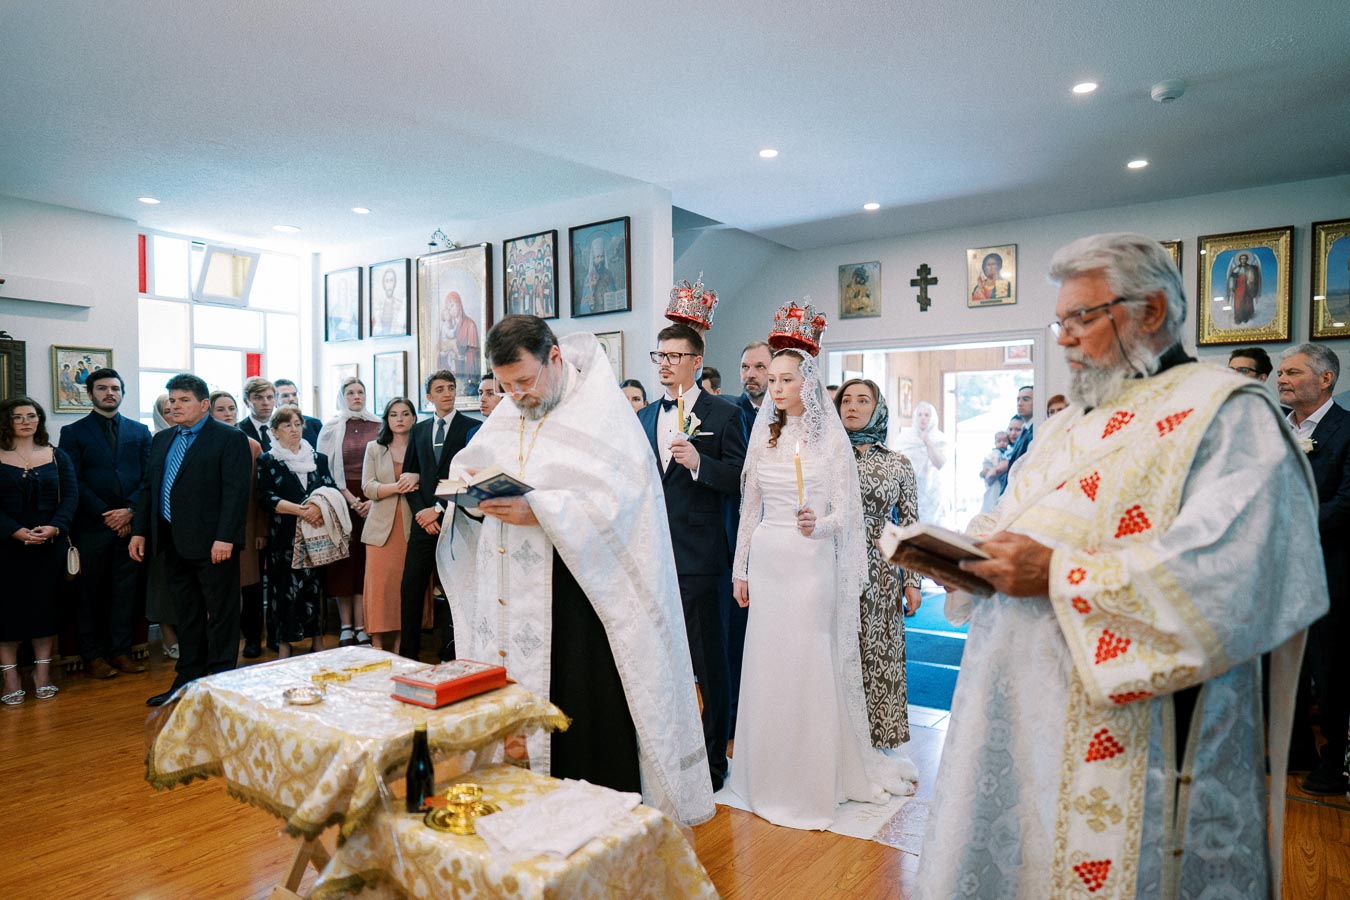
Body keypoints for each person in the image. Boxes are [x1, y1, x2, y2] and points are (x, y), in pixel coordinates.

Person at [917, 232, 1326, 899]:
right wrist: (966, 558)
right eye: (1062, 322)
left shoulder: (1224, 414)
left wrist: (1056, 574)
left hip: (1132, 739)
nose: (1064, 339)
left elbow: (1230, 574)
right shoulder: (1068, 424)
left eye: (1080, 319)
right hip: (1020, 714)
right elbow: (1013, 518)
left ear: (1152, 311)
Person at [438, 315, 714, 826]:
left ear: (556, 359)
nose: (516, 395)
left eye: (524, 381)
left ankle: (598, 834)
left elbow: (621, 503)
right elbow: (471, 462)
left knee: (584, 725)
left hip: (580, 603)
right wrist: (469, 496)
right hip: (512, 597)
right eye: (505, 386)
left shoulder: (602, 414)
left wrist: (540, 509)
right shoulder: (513, 409)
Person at [728, 348, 916, 829]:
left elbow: (847, 515)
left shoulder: (831, 442)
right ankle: (764, 776)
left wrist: (820, 524)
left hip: (811, 562)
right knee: (768, 665)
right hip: (769, 560)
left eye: (786, 380)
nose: (776, 388)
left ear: (807, 385)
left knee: (808, 662)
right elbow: (750, 509)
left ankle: (812, 779)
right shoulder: (762, 437)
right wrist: (740, 569)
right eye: (772, 380)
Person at [637, 323, 747, 791]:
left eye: (674, 356)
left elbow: (742, 479)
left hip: (702, 557)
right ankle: (669, 750)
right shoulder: (643, 417)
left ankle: (713, 762)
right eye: (659, 355)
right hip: (653, 556)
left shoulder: (723, 413)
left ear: (696, 361)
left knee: (710, 663)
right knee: (662, 660)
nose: (664, 363)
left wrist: (699, 464)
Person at [131, 374, 252, 707]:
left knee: (222, 615)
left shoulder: (229, 438)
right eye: (171, 400)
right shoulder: (163, 439)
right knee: (187, 615)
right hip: (171, 542)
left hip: (215, 545)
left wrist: (225, 538)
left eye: (183, 400)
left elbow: (236, 494)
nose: (174, 406)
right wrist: (140, 530)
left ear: (203, 405)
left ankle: (221, 684)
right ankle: (187, 681)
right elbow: (149, 489)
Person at [1276, 343, 1350, 795]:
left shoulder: (1346, 429)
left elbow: (1347, 501)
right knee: (1289, 665)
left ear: (1325, 379)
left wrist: (1291, 528)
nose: (1282, 379)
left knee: (1333, 668)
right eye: (1280, 372)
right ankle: (1295, 748)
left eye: (1293, 372)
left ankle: (1335, 758)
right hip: (1280, 571)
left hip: (1331, 569)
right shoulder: (1276, 429)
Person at [836, 378, 923, 749]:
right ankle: (837, 738)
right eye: (846, 401)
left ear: (877, 408)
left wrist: (913, 581)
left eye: (862, 400)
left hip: (880, 570)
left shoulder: (897, 464)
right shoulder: (825, 457)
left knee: (877, 651)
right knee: (837, 650)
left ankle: (877, 740)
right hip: (831, 561)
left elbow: (909, 525)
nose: (853, 407)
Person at [58, 368, 152, 680]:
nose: (109, 393)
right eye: (102, 388)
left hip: (131, 524)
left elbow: (147, 477)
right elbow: (74, 480)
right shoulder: (73, 432)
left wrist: (129, 511)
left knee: (125, 592)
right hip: (92, 526)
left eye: (115, 388)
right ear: (90, 394)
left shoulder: (140, 431)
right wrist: (108, 515)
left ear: (122, 392)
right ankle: (93, 655)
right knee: (90, 594)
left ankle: (121, 652)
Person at [0, 398, 77, 705]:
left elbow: (71, 497)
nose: (26, 421)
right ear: (7, 422)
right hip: (6, 548)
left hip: (48, 546)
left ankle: (42, 675)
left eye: (32, 416)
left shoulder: (57, 456)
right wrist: (14, 531)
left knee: (45, 611)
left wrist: (55, 527)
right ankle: (10, 678)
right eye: (18, 417)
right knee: (7, 616)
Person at [400, 370, 474, 662]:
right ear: (429, 397)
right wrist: (421, 511)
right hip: (422, 524)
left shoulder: (471, 428)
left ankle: (450, 652)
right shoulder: (419, 430)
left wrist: (439, 510)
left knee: (453, 588)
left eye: (451, 387)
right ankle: (408, 653)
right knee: (411, 588)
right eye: (440, 389)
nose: (447, 393)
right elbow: (409, 477)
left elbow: (468, 476)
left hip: (455, 520)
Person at [256, 407, 338, 659]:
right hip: (285, 535)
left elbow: (331, 489)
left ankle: (317, 640)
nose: (294, 430)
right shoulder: (268, 460)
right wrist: (300, 510)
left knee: (315, 587)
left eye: (297, 424)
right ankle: (284, 644)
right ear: (274, 431)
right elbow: (265, 497)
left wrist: (315, 508)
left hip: (315, 533)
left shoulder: (318, 458)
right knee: (284, 591)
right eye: (287, 425)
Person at [316, 377, 381, 647]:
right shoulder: (331, 427)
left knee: (366, 563)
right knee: (343, 562)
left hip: (374, 498)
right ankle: (345, 626)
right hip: (341, 499)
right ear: (342, 397)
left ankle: (364, 625)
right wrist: (352, 500)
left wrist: (370, 502)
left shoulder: (378, 425)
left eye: (361, 392)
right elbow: (325, 470)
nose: (357, 397)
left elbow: (384, 463)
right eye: (351, 392)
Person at [361, 398, 429, 653]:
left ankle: (403, 645)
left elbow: (431, 480)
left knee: (406, 587)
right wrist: (398, 486)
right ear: (387, 420)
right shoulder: (374, 448)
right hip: (381, 530)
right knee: (379, 588)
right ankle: (377, 644)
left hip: (414, 526)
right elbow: (368, 487)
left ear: (413, 417)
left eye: (405, 414)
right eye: (393, 414)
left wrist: (418, 479)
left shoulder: (422, 445)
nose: (399, 419)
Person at [208, 391, 268, 658]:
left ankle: (253, 638)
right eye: (220, 409)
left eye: (231, 408)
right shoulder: (203, 443)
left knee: (251, 587)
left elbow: (260, 493)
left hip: (246, 527)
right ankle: (219, 643)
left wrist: (260, 530)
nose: (228, 413)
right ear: (209, 412)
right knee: (219, 590)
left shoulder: (252, 445)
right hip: (212, 529)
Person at [145, 394, 178, 658]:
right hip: (160, 526)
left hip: (190, 528)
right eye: (167, 411)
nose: (173, 414)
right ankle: (168, 637)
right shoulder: (154, 440)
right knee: (161, 586)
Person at [896, 400, 949, 525]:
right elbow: (896, 460)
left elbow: (940, 463)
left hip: (932, 491)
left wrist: (928, 442)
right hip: (910, 489)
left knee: (932, 528)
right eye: (920, 414)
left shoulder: (939, 438)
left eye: (927, 415)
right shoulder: (905, 437)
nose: (923, 418)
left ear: (932, 418)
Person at [436, 292, 481, 381]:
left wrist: (461, 356)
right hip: (451, 373)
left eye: (452, 305)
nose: (451, 310)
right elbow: (439, 349)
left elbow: (474, 353)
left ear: (459, 304)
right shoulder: (446, 326)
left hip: (464, 374)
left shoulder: (470, 325)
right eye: (448, 308)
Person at [999, 384, 1035, 493]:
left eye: (1026, 399)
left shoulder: (1034, 432)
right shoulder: (1024, 431)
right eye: (1018, 399)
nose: (1020, 403)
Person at [738, 341, 772, 439]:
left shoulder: (788, 413)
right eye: (745, 367)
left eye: (760, 367)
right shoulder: (729, 412)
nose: (750, 374)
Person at [274, 379, 323, 446]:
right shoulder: (270, 427)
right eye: (285, 396)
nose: (292, 399)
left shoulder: (314, 424)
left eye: (294, 394)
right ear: (275, 401)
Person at [239, 377, 277, 451]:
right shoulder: (238, 430)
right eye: (258, 398)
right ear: (246, 402)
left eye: (269, 397)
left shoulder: (283, 426)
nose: (266, 403)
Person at [580, 237, 616, 314]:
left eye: (602, 256)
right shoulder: (588, 278)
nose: (600, 260)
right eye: (597, 257)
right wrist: (590, 305)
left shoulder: (609, 274)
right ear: (593, 259)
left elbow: (614, 294)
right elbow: (583, 305)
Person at [978, 430, 1010, 512]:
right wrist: (996, 467)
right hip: (993, 480)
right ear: (995, 442)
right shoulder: (996, 452)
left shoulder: (1007, 452)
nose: (1002, 443)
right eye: (999, 441)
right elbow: (995, 461)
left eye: (1004, 441)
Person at [1227, 251, 1262, 325]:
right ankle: (1239, 317)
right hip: (1239, 288)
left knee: (1247, 301)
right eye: (1242, 259)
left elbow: (1253, 276)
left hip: (1247, 288)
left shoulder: (1250, 268)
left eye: (1245, 259)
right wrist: (1231, 287)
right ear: (1239, 260)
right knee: (1238, 302)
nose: (1243, 260)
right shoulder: (1237, 269)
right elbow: (1232, 278)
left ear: (1247, 259)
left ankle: (1246, 316)